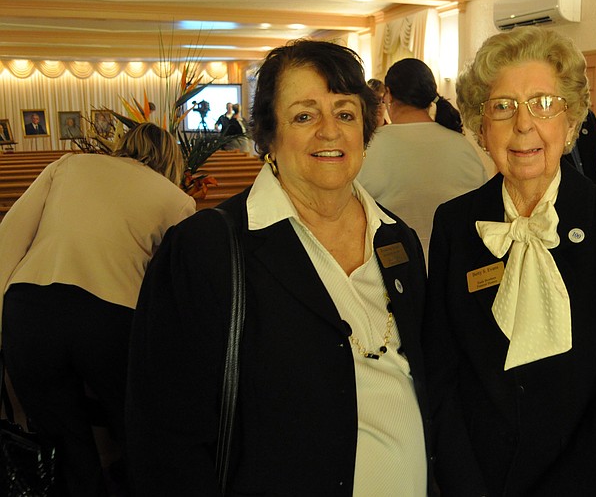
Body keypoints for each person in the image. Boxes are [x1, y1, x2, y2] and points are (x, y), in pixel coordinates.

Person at [126, 39, 435, 496]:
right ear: (268, 135)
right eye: (305, 115)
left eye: (346, 113)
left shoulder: (396, 238)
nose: (330, 132)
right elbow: (164, 436)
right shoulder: (205, 249)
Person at [425, 26, 596, 496]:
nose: (524, 124)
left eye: (544, 104)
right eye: (503, 106)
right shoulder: (453, 223)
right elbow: (442, 375)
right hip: (478, 478)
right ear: (480, 126)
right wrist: (465, 482)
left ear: (570, 124)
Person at [0, 123, 195, 497]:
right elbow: (172, 284)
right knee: (135, 425)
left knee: (63, 437)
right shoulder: (176, 200)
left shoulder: (69, 166)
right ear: (172, 159)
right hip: (110, 316)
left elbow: (11, 235)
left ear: (122, 144)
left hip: (30, 308)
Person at [358, 58, 488, 261]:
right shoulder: (461, 145)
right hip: (456, 261)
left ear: (388, 95)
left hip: (393, 265)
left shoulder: (371, 146)